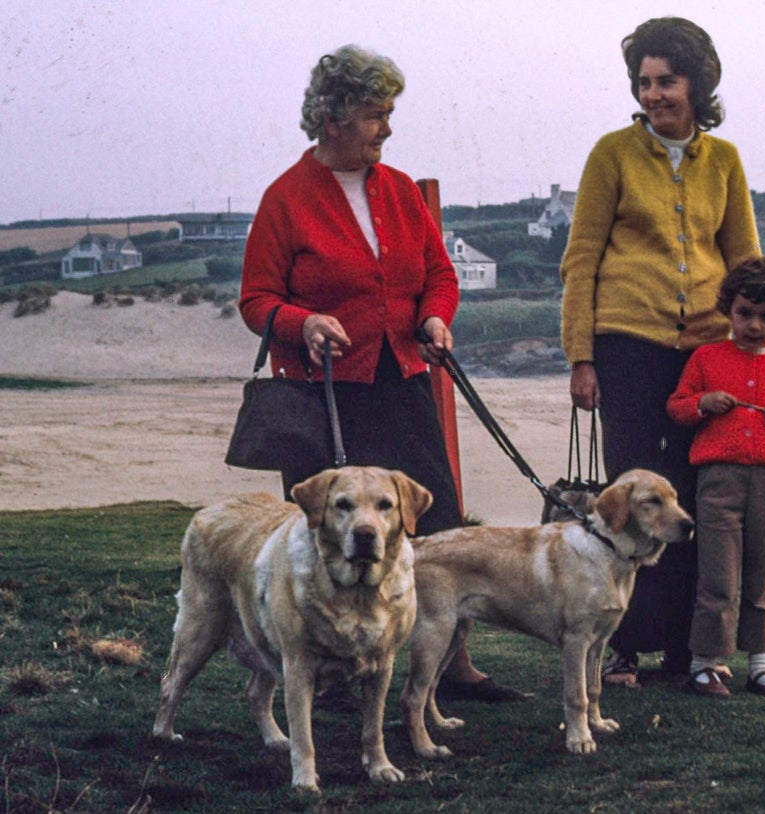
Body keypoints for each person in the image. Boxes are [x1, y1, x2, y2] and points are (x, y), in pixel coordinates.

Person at [239, 44, 525, 704]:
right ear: (334, 117)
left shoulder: (397, 189)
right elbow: (257, 299)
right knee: (336, 538)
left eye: (389, 113)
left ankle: (448, 663)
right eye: (375, 114)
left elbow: (438, 275)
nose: (386, 128)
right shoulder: (285, 199)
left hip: (401, 379)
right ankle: (332, 672)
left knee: (439, 528)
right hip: (328, 395)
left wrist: (435, 316)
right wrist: (303, 322)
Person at [560, 17, 765, 687]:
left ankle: (689, 650)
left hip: (707, 350)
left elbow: (745, 260)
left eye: (666, 81)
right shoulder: (611, 154)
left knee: (695, 499)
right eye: (643, 83)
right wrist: (580, 357)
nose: (653, 95)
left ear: (697, 84)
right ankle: (623, 647)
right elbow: (581, 259)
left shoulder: (724, 160)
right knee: (632, 497)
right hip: (627, 346)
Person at [667, 256, 765, 698]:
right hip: (718, 481)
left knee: (762, 576)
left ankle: (761, 668)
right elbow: (677, 407)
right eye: (744, 314)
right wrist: (703, 403)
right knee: (717, 576)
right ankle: (703, 665)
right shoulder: (707, 357)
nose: (755, 325)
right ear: (728, 311)